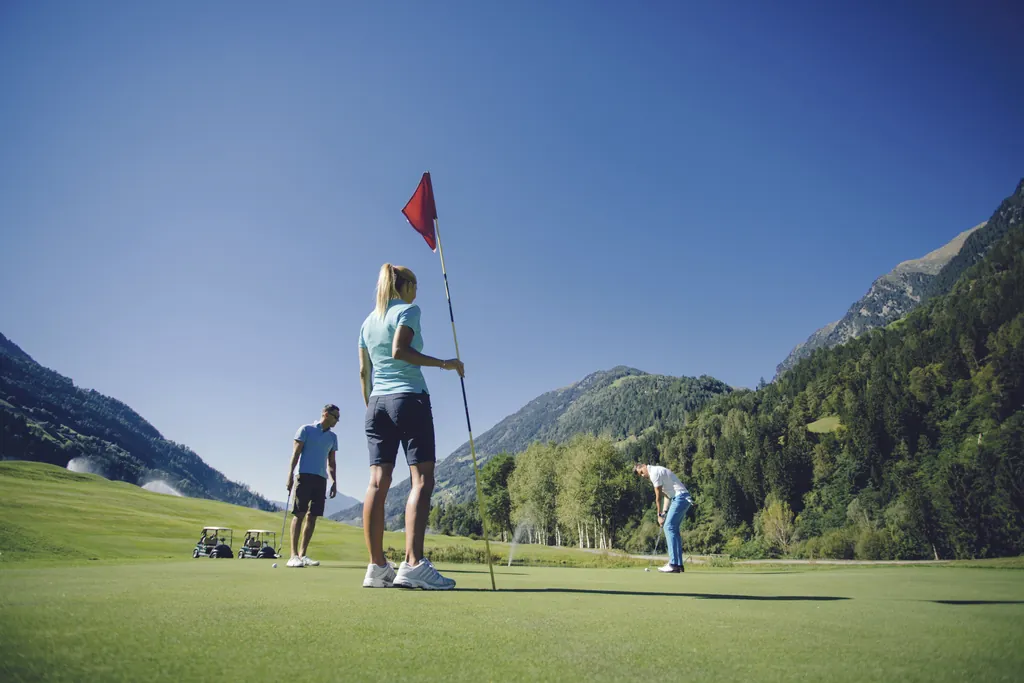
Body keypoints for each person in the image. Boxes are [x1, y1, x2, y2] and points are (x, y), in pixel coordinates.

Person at [358, 263, 464, 589]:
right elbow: (400, 351)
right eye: (415, 284)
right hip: (408, 399)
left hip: (376, 404)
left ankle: (377, 567)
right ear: (404, 285)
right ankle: (413, 564)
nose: (417, 291)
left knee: (378, 482)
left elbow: (364, 373)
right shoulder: (408, 310)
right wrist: (446, 364)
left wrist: (373, 405)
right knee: (422, 479)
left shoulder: (367, 321)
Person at [285, 404, 340, 568]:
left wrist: (334, 481)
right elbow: (295, 454)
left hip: (320, 479)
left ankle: (302, 554)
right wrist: (290, 475)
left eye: (338, 418)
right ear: (325, 414)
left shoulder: (333, 437)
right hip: (304, 476)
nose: (337, 420)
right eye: (335, 417)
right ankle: (293, 555)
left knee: (313, 516)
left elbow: (331, 462)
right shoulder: (306, 429)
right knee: (299, 513)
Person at [634, 462, 693, 573]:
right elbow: (667, 496)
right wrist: (664, 512)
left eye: (641, 472)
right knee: (673, 529)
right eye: (640, 475)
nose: (643, 476)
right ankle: (678, 564)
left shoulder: (654, 473)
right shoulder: (657, 472)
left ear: (644, 466)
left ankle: (673, 564)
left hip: (680, 498)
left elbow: (658, 497)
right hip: (683, 498)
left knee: (668, 527)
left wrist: (659, 516)